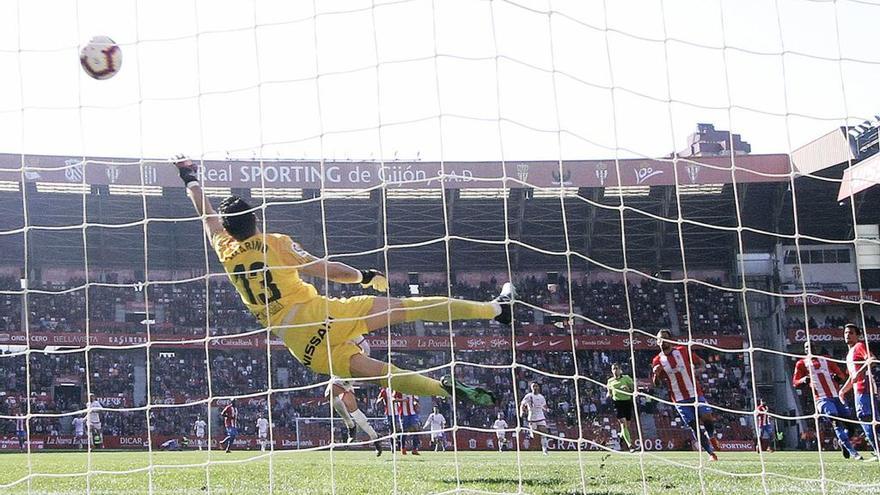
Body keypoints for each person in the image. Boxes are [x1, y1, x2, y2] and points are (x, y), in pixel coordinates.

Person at [174, 157, 509, 405]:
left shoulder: (224, 249)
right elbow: (330, 271)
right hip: (320, 315)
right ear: (255, 218)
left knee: (381, 372)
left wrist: (189, 179)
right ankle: (495, 309)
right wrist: (363, 276)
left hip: (298, 345)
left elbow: (207, 216)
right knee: (409, 308)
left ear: (228, 229)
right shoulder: (274, 243)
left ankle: (442, 389)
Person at [651, 329, 719, 461]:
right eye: (660, 339)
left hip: (695, 392)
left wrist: (699, 370)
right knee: (694, 426)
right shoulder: (657, 360)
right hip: (679, 399)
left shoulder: (682, 350)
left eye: (665, 338)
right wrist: (656, 375)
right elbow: (657, 385)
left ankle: (711, 435)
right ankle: (711, 454)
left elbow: (702, 363)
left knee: (707, 417)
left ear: (670, 339)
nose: (662, 341)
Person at [792, 341, 861, 460]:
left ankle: (842, 442)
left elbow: (841, 376)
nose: (810, 348)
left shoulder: (827, 359)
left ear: (816, 347)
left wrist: (838, 377)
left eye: (812, 346)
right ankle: (853, 452)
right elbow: (795, 382)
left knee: (851, 427)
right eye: (807, 347)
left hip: (836, 397)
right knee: (835, 420)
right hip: (822, 399)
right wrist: (804, 380)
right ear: (804, 350)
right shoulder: (801, 363)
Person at [324, 336, 382, 456]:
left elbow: (366, 349)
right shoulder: (331, 332)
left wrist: (356, 364)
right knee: (354, 410)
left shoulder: (352, 331)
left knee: (329, 394)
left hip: (348, 370)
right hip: (337, 370)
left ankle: (350, 425)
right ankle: (375, 437)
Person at [838, 323, 878, 459]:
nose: (847, 335)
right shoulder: (849, 354)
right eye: (845, 333)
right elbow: (852, 377)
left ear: (858, 335)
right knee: (872, 421)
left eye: (851, 333)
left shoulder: (859, 346)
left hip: (864, 389)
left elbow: (872, 359)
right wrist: (843, 390)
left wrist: (859, 373)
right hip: (860, 390)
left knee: (865, 418)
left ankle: (878, 450)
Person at [606, 363, 637, 452]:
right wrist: (608, 395)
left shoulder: (626, 378)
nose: (615, 370)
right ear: (612, 371)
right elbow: (610, 393)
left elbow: (634, 390)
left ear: (620, 370)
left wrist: (627, 389)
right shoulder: (610, 381)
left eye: (616, 368)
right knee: (623, 424)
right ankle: (630, 446)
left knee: (627, 425)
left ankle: (621, 435)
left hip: (627, 402)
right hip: (617, 403)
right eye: (613, 369)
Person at [521, 382, 550, 455]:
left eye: (536, 386)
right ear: (531, 388)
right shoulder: (528, 396)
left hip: (540, 417)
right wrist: (521, 411)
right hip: (532, 418)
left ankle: (545, 450)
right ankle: (530, 434)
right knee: (534, 436)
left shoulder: (541, 397)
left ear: (538, 387)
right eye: (533, 386)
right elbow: (522, 404)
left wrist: (547, 409)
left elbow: (544, 405)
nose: (535, 388)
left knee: (544, 433)